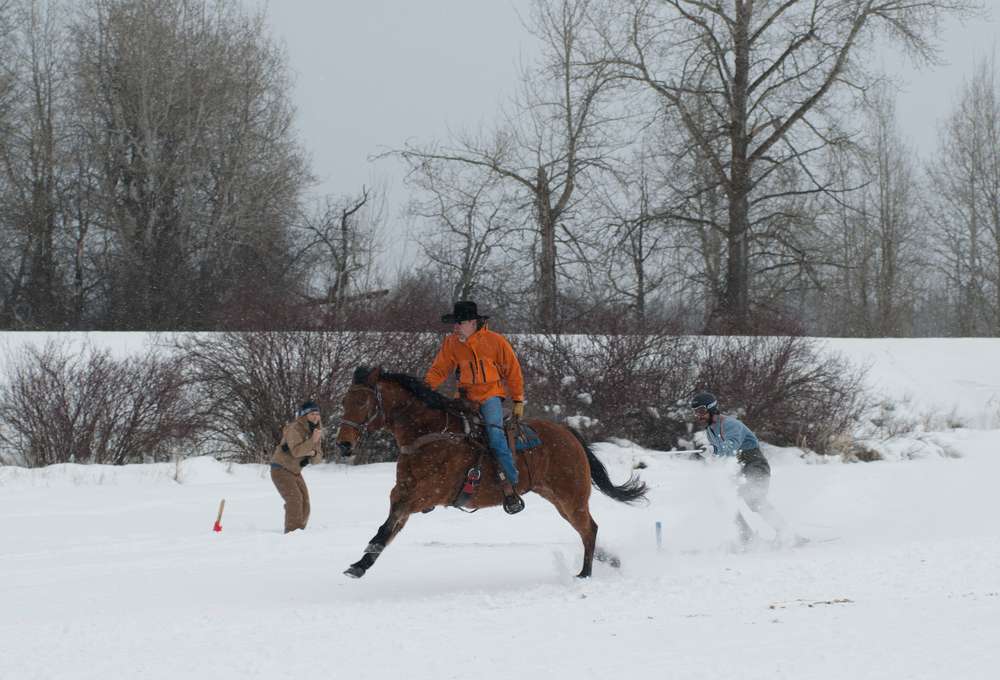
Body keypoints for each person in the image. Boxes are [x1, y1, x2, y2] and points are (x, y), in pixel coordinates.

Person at [425, 300, 526, 514]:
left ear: (472, 322)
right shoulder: (452, 343)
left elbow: (513, 370)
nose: (455, 327)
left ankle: (511, 484)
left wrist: (517, 399)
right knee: (443, 433)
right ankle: (433, 486)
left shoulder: (495, 341)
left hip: (490, 396)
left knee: (496, 436)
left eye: (459, 323)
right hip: (464, 397)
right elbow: (439, 370)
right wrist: (424, 390)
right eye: (454, 324)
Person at [690, 391, 793, 547]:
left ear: (711, 408)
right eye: (695, 412)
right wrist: (710, 458)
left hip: (755, 464)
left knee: (753, 498)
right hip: (738, 467)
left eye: (701, 411)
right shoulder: (710, 430)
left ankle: (786, 534)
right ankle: (748, 539)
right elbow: (722, 455)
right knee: (723, 498)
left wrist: (713, 449)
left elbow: (732, 446)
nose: (698, 415)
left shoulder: (730, 424)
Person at [271, 400, 324, 533]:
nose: (316, 417)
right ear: (304, 415)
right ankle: (291, 534)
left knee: (305, 503)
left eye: (317, 414)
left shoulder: (316, 431)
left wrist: (313, 450)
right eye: (312, 414)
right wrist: (312, 442)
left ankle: (299, 532)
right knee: (294, 500)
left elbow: (317, 459)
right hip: (280, 469)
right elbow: (296, 451)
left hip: (295, 471)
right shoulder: (294, 428)